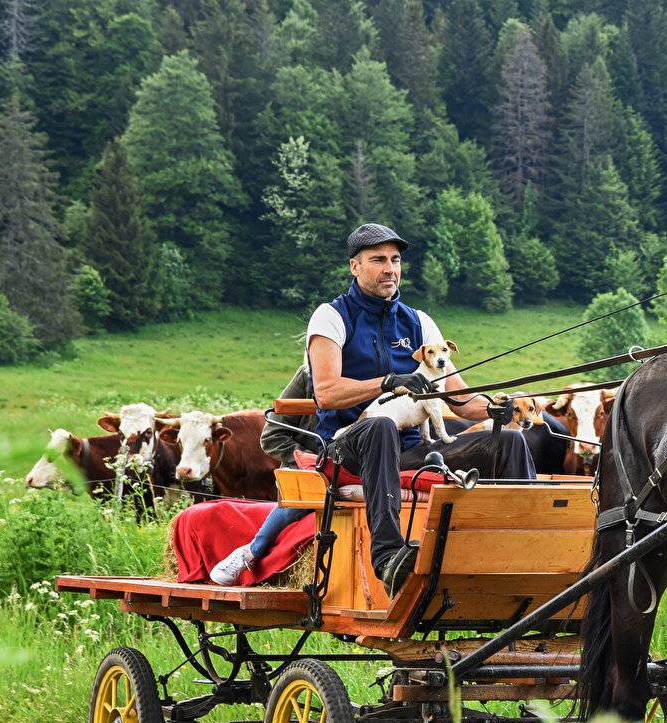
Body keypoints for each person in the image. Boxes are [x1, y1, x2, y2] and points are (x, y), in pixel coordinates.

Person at [307, 223, 535, 596]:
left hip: (410, 451)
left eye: (395, 260)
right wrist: (387, 382)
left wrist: (499, 409)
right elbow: (327, 392)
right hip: (348, 447)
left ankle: (530, 551)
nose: (390, 269)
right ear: (355, 266)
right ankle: (388, 559)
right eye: (378, 260)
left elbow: (461, 400)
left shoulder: (419, 322)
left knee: (509, 442)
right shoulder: (332, 316)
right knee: (380, 426)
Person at [209, 366, 318, 586]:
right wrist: (312, 460)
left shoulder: (382, 376)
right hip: (311, 472)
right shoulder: (309, 374)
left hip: (362, 463)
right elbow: (271, 437)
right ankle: (251, 552)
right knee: (294, 504)